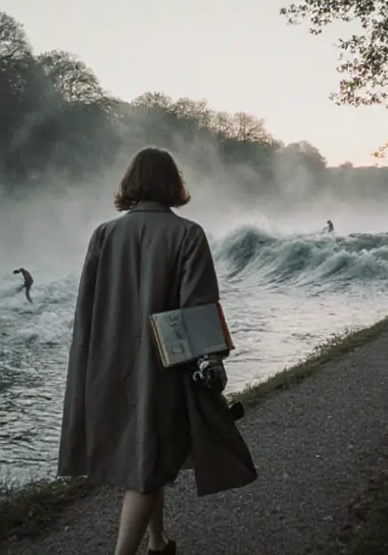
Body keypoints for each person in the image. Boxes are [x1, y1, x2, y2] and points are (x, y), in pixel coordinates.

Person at [58, 147, 257, 555]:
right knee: (148, 467)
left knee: (143, 456)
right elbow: (198, 310)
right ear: (173, 184)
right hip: (163, 370)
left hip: (108, 364)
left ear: (132, 182)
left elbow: (86, 310)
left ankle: (159, 542)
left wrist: (85, 367)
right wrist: (212, 363)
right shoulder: (188, 234)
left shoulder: (104, 234)